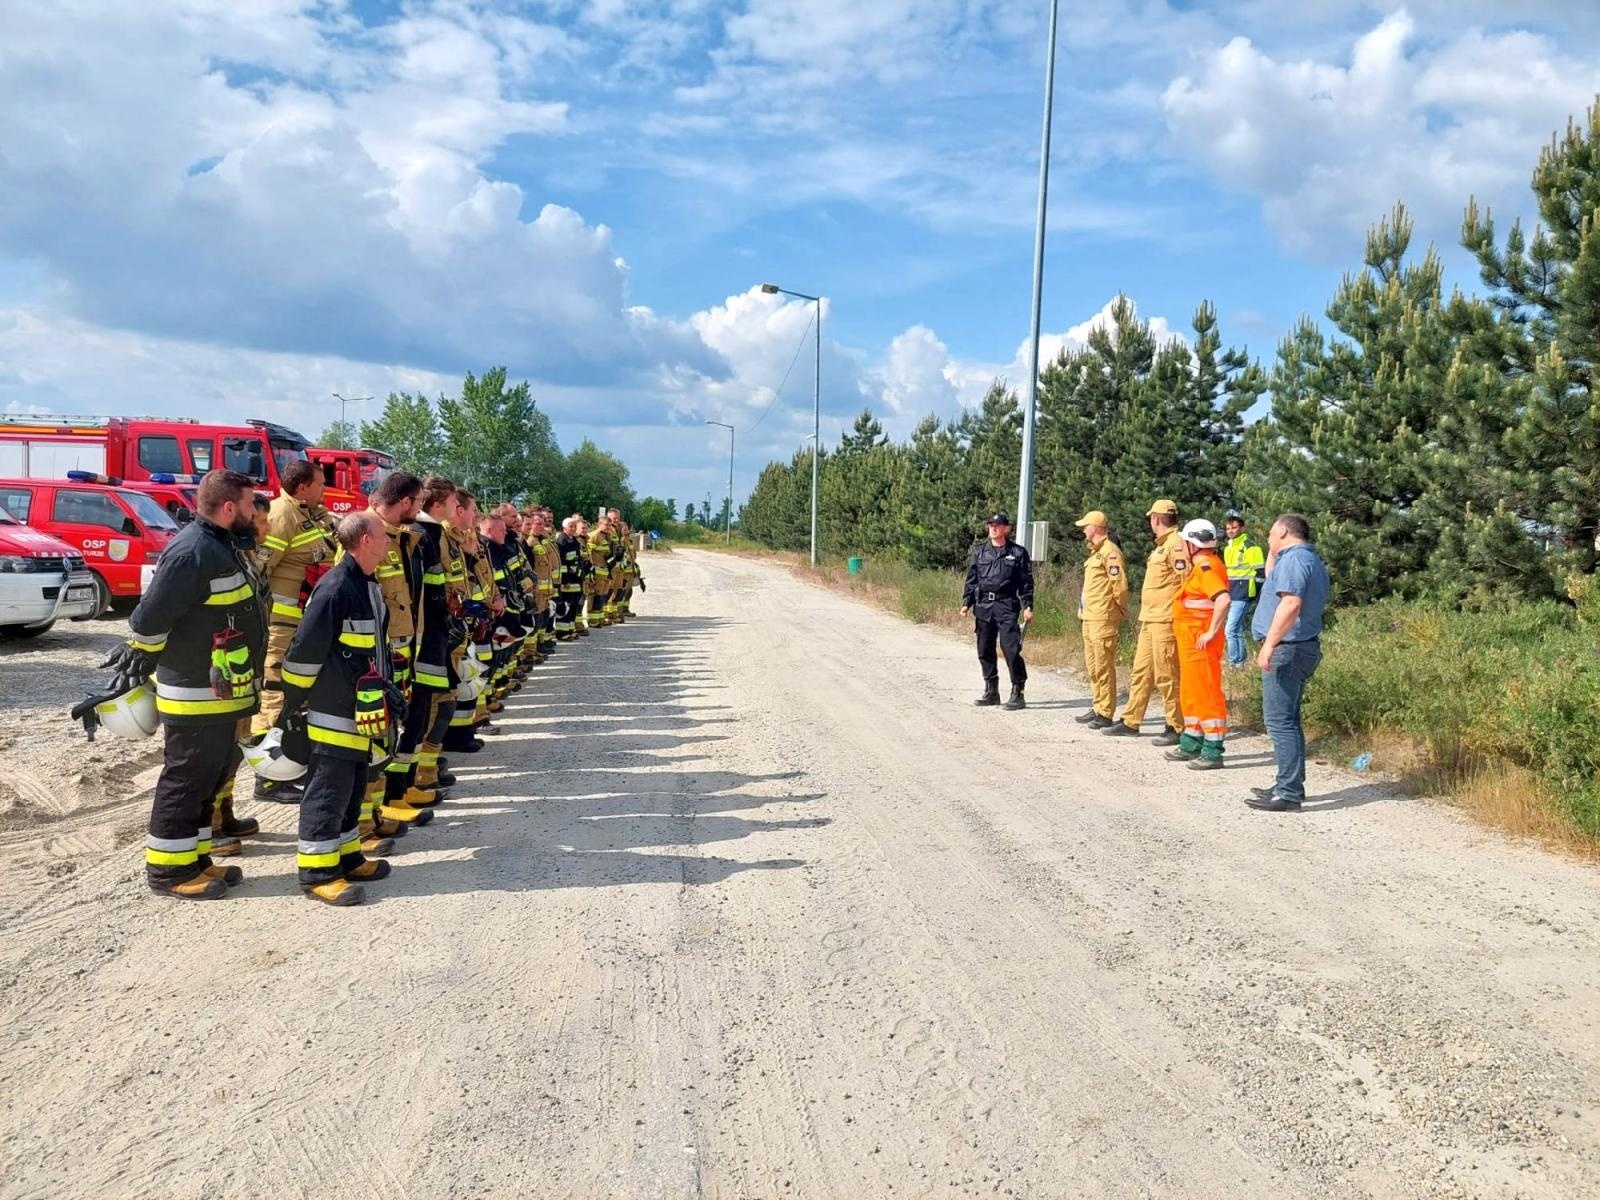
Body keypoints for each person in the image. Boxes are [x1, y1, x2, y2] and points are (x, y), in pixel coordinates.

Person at [113, 469, 265, 900]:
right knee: (185, 780)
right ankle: (169, 871)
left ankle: (196, 860)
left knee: (208, 777)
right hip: (194, 691)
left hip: (219, 691)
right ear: (229, 507)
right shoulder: (192, 551)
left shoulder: (220, 544)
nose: (255, 512)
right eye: (250, 504)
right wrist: (141, 656)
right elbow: (149, 619)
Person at [277, 512, 403, 906]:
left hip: (360, 708)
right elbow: (303, 653)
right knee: (328, 790)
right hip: (333, 709)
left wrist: (387, 685)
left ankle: (348, 857)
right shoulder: (335, 588)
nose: (389, 542)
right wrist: (293, 702)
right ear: (365, 540)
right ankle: (318, 873)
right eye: (383, 536)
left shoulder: (365, 584)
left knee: (351, 787)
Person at [253, 459, 335, 803]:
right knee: (275, 695)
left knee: (300, 697)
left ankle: (289, 765)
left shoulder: (313, 515)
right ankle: (268, 778)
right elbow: (259, 570)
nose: (324, 489)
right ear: (302, 487)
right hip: (282, 628)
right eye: (319, 484)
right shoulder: (282, 516)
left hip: (305, 626)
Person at [1247, 514, 1331, 813]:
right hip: (1298, 647)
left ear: (1283, 531)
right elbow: (1273, 576)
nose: (1268, 538)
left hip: (1288, 648)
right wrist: (1273, 551)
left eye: (1271, 533)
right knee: (1288, 721)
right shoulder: (1303, 559)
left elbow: (1291, 603)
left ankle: (1288, 793)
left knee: (1280, 722)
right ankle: (1289, 783)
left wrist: (1269, 644)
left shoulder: (1295, 560)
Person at [1105, 499, 1186, 744]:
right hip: (1151, 618)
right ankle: (1131, 720)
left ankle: (1176, 725)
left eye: (1151, 518)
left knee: (1167, 674)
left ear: (1156, 518)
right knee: (1141, 671)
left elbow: (1186, 579)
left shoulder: (1175, 544)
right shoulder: (1162, 546)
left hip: (1165, 619)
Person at [1165, 519, 1232, 770]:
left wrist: (1211, 632)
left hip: (1202, 644)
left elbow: (1223, 600)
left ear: (1192, 544)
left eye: (1185, 542)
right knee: (1191, 692)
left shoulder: (1206, 567)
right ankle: (1192, 740)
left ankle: (1213, 751)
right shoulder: (1201, 566)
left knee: (1206, 693)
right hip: (1192, 645)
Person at [960, 513, 1034, 710]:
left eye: (998, 525)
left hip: (1007, 605)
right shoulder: (980, 552)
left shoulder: (1017, 553)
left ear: (1006, 529)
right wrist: (967, 602)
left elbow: (1026, 583)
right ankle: (991, 690)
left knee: (1011, 649)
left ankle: (1018, 692)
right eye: (991, 525)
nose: (993, 528)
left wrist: (1028, 606)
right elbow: (972, 580)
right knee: (984, 649)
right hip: (984, 605)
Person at [1074, 510, 1128, 728]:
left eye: (1085, 526)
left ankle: (1105, 712)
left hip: (1103, 618)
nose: (1083, 530)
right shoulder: (1096, 553)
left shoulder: (1110, 552)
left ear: (1095, 527)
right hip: (1089, 617)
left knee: (1104, 666)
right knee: (1093, 666)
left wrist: (1118, 608)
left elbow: (1119, 586)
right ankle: (1097, 705)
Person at [1222, 510, 1267, 667]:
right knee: (1237, 629)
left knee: (1230, 630)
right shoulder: (1228, 548)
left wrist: (1254, 592)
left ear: (1242, 528)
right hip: (1232, 592)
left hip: (1244, 593)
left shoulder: (1250, 547)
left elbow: (1260, 573)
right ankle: (1240, 663)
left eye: (1234, 528)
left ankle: (1233, 663)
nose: (1230, 531)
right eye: (1228, 528)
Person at [553, 515, 584, 640]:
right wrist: (565, 579)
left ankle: (570, 629)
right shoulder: (562, 541)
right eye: (571, 526)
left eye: (574, 526)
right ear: (564, 528)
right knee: (566, 605)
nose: (573, 528)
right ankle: (562, 632)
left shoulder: (574, 541)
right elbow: (562, 562)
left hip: (576, 578)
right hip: (568, 580)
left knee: (574, 605)